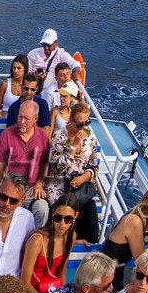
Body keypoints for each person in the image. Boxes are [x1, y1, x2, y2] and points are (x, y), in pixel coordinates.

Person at [99, 183, 148, 287]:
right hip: (108, 278)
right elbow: (143, 261)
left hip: (111, 272)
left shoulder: (134, 215)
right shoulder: (134, 221)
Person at [45, 103, 101, 242]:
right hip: (59, 185)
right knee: (63, 213)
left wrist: (85, 177)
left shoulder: (90, 137)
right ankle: (62, 244)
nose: (83, 128)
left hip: (80, 187)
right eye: (80, 124)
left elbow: (93, 166)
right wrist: (73, 147)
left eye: (86, 123)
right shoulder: (59, 137)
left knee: (91, 213)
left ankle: (88, 248)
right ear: (71, 120)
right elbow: (56, 168)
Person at [20, 196, 78, 293]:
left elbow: (62, 273)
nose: (62, 223)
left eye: (68, 219)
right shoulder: (37, 240)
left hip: (52, 291)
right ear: (52, 214)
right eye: (58, 217)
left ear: (75, 216)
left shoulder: (71, 237)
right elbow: (24, 283)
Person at [0, 106, 53, 225]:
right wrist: (4, 188)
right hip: (8, 185)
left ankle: (35, 240)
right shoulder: (6, 135)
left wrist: (39, 183)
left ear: (36, 119)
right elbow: (0, 167)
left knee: (42, 209)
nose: (22, 121)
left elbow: (44, 163)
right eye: (20, 117)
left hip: (30, 189)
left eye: (26, 118)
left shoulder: (42, 136)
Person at [28, 29, 78, 94]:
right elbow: (26, 73)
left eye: (49, 45)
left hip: (53, 93)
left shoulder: (61, 54)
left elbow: (75, 64)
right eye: (44, 44)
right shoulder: (33, 54)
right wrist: (35, 76)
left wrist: (75, 72)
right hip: (33, 92)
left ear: (56, 43)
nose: (46, 47)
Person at [0, 54, 33, 119]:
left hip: (23, 117)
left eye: (19, 68)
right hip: (6, 117)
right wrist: (0, 117)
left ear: (25, 69)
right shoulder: (5, 84)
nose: (16, 71)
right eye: (14, 68)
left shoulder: (28, 86)